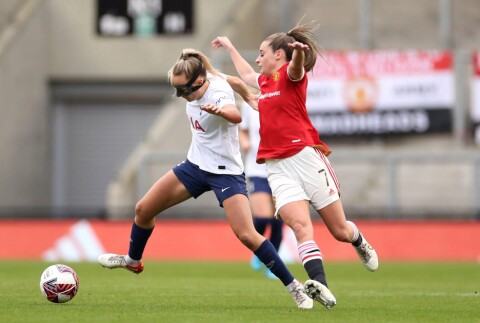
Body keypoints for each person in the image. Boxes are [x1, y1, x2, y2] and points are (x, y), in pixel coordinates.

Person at [98, 48, 314, 309]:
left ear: (199, 82)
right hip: (195, 166)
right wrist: (246, 92)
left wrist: (222, 111)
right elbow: (232, 79)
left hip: (226, 173)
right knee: (143, 209)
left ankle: (295, 288)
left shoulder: (218, 93)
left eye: (184, 90)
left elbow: (234, 115)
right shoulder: (209, 78)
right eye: (177, 90)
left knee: (247, 235)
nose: (181, 96)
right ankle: (133, 261)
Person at [212, 22, 379, 310]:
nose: (258, 58)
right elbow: (246, 74)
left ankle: (358, 240)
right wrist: (229, 48)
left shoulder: (290, 76)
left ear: (279, 55)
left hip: (305, 157)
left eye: (262, 53)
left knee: (339, 231)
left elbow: (296, 69)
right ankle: (321, 285)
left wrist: (299, 54)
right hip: (276, 167)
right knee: (300, 226)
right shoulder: (263, 82)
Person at [239, 101, 283, 279]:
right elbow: (243, 129)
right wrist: (245, 142)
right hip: (257, 169)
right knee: (263, 217)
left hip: (281, 170)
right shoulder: (248, 105)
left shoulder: (282, 100)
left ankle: (274, 264)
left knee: (279, 219)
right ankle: (258, 250)